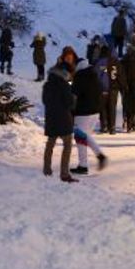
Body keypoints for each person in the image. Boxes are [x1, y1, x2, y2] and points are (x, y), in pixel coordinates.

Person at [42, 49, 79, 184]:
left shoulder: (47, 84)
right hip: (64, 117)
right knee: (67, 144)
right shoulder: (64, 85)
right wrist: (73, 98)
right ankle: (64, 173)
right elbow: (69, 103)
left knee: (50, 144)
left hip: (51, 117)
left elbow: (45, 101)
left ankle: (46, 170)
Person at [71, 57, 109, 175]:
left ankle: (83, 166)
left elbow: (74, 95)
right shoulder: (94, 75)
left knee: (80, 138)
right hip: (95, 112)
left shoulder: (80, 76)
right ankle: (100, 156)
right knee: (85, 136)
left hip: (83, 112)